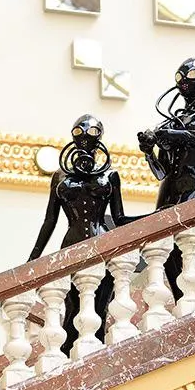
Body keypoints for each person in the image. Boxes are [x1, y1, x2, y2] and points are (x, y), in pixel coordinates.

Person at [28, 114, 134, 354]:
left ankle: (95, 359)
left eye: (91, 134)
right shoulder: (61, 176)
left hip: (103, 246)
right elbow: (50, 220)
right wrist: (33, 258)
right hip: (71, 247)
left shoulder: (110, 175)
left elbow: (119, 218)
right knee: (73, 308)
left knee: (99, 308)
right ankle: (66, 357)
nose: (85, 139)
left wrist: (155, 217)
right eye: (79, 134)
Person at [137, 58, 195, 298]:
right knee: (164, 244)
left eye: (189, 79)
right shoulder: (169, 122)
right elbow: (162, 171)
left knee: (186, 237)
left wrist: (185, 136)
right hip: (170, 186)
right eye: (180, 80)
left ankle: (189, 294)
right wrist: (149, 150)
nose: (183, 86)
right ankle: (182, 296)